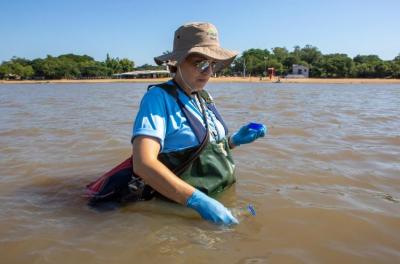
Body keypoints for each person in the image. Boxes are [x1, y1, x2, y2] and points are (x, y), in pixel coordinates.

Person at [129, 22, 267, 225]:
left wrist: (234, 141)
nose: (208, 71)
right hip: (183, 212)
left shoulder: (203, 96)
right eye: (200, 63)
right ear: (176, 62)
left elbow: (199, 153)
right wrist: (198, 202)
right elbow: (143, 164)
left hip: (222, 199)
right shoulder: (158, 99)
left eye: (212, 64)